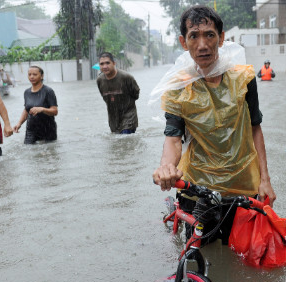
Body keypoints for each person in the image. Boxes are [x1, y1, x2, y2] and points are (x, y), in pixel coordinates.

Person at [152, 5, 276, 243]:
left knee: (244, 256)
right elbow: (173, 138)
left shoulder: (244, 78)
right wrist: (167, 167)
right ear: (183, 41)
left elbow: (254, 128)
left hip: (243, 186)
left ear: (221, 38)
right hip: (198, 187)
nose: (202, 44)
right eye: (193, 36)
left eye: (209, 34)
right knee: (199, 253)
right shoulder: (178, 87)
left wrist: (265, 180)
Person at [96, 52, 140, 134]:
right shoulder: (100, 80)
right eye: (102, 64)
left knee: (125, 139)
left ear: (114, 63)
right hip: (113, 119)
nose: (105, 66)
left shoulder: (126, 77)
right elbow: (105, 98)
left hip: (129, 117)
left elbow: (136, 94)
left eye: (107, 63)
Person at [13, 65, 58, 144]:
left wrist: (42, 109)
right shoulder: (27, 92)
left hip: (47, 130)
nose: (32, 77)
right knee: (29, 151)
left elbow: (55, 111)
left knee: (48, 153)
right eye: (29, 74)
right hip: (31, 130)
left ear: (42, 76)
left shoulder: (48, 91)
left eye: (35, 74)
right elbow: (26, 110)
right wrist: (19, 123)